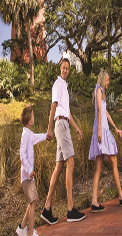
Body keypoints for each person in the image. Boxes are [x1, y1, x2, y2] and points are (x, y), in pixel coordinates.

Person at [40, 58, 86, 224]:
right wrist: (49, 128)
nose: (65, 70)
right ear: (60, 69)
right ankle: (70, 210)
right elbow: (53, 106)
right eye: (63, 68)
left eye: (67, 68)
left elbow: (67, 113)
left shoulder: (65, 87)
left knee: (59, 167)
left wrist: (77, 128)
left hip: (64, 123)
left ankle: (47, 208)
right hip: (60, 125)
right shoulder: (58, 84)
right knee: (70, 163)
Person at [89, 70, 122, 212]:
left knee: (99, 167)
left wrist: (115, 128)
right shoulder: (99, 90)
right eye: (107, 80)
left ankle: (94, 202)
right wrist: (101, 130)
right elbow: (99, 112)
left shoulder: (101, 92)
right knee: (113, 161)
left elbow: (105, 112)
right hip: (101, 131)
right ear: (103, 79)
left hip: (104, 129)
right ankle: (121, 196)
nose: (109, 82)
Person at [17, 105, 50, 236]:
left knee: (33, 200)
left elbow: (36, 137)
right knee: (34, 200)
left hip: (29, 175)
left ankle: (22, 227)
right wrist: (30, 169)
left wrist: (46, 136)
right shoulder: (25, 135)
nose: (34, 117)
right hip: (27, 175)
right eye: (33, 116)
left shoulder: (28, 133)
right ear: (30, 121)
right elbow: (22, 154)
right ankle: (30, 232)